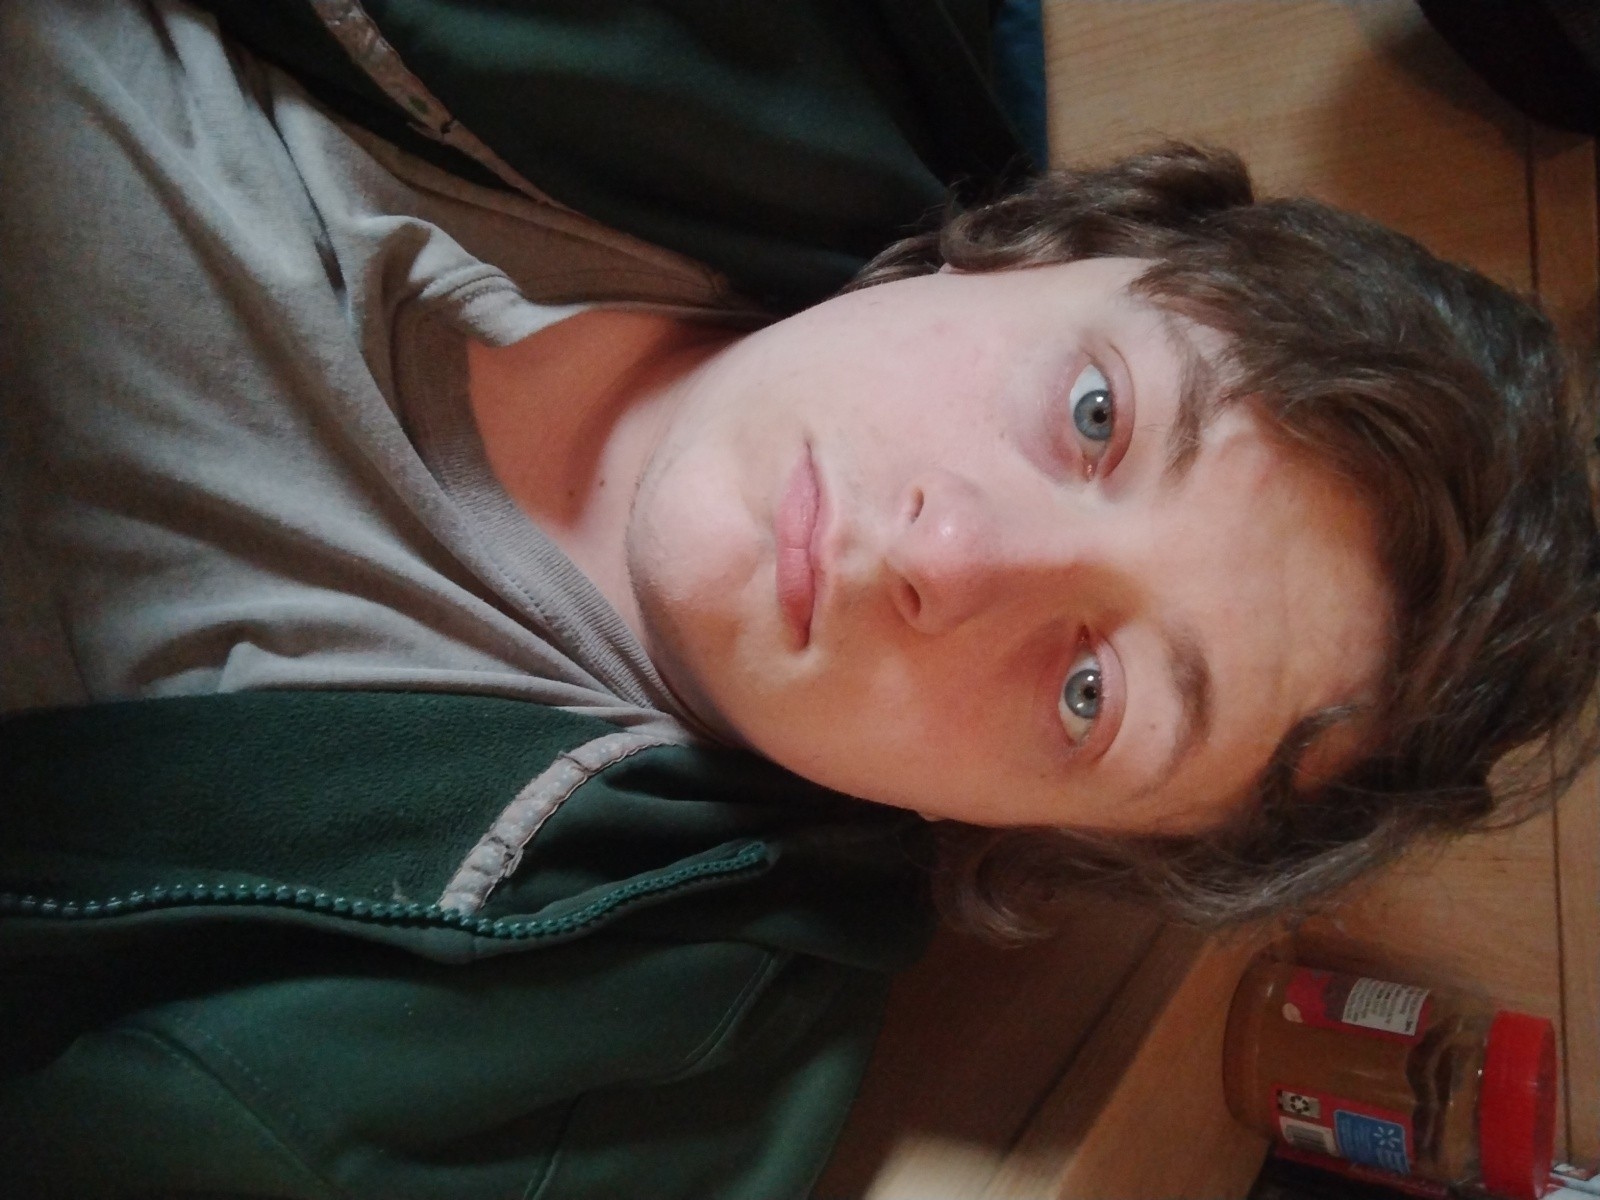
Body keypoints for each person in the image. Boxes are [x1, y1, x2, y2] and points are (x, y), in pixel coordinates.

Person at [1, 1, 1595, 1197]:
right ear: (1040, 248)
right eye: (1096, 413)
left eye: (1088, 693)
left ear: (1027, 836)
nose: (950, 556)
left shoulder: (518, 1097)